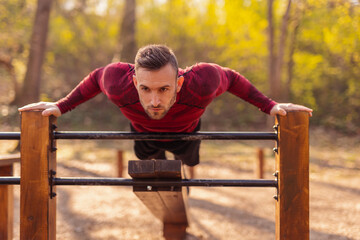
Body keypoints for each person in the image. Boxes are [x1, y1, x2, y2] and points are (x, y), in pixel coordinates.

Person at [19, 44, 312, 171]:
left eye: (164, 89)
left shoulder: (203, 81)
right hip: (143, 134)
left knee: (187, 163)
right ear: (133, 82)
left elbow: (232, 79)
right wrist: (60, 105)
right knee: (152, 171)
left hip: (187, 134)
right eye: (145, 89)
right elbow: (96, 79)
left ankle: (186, 172)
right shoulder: (116, 80)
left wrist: (271, 106)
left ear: (180, 84)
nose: (155, 101)